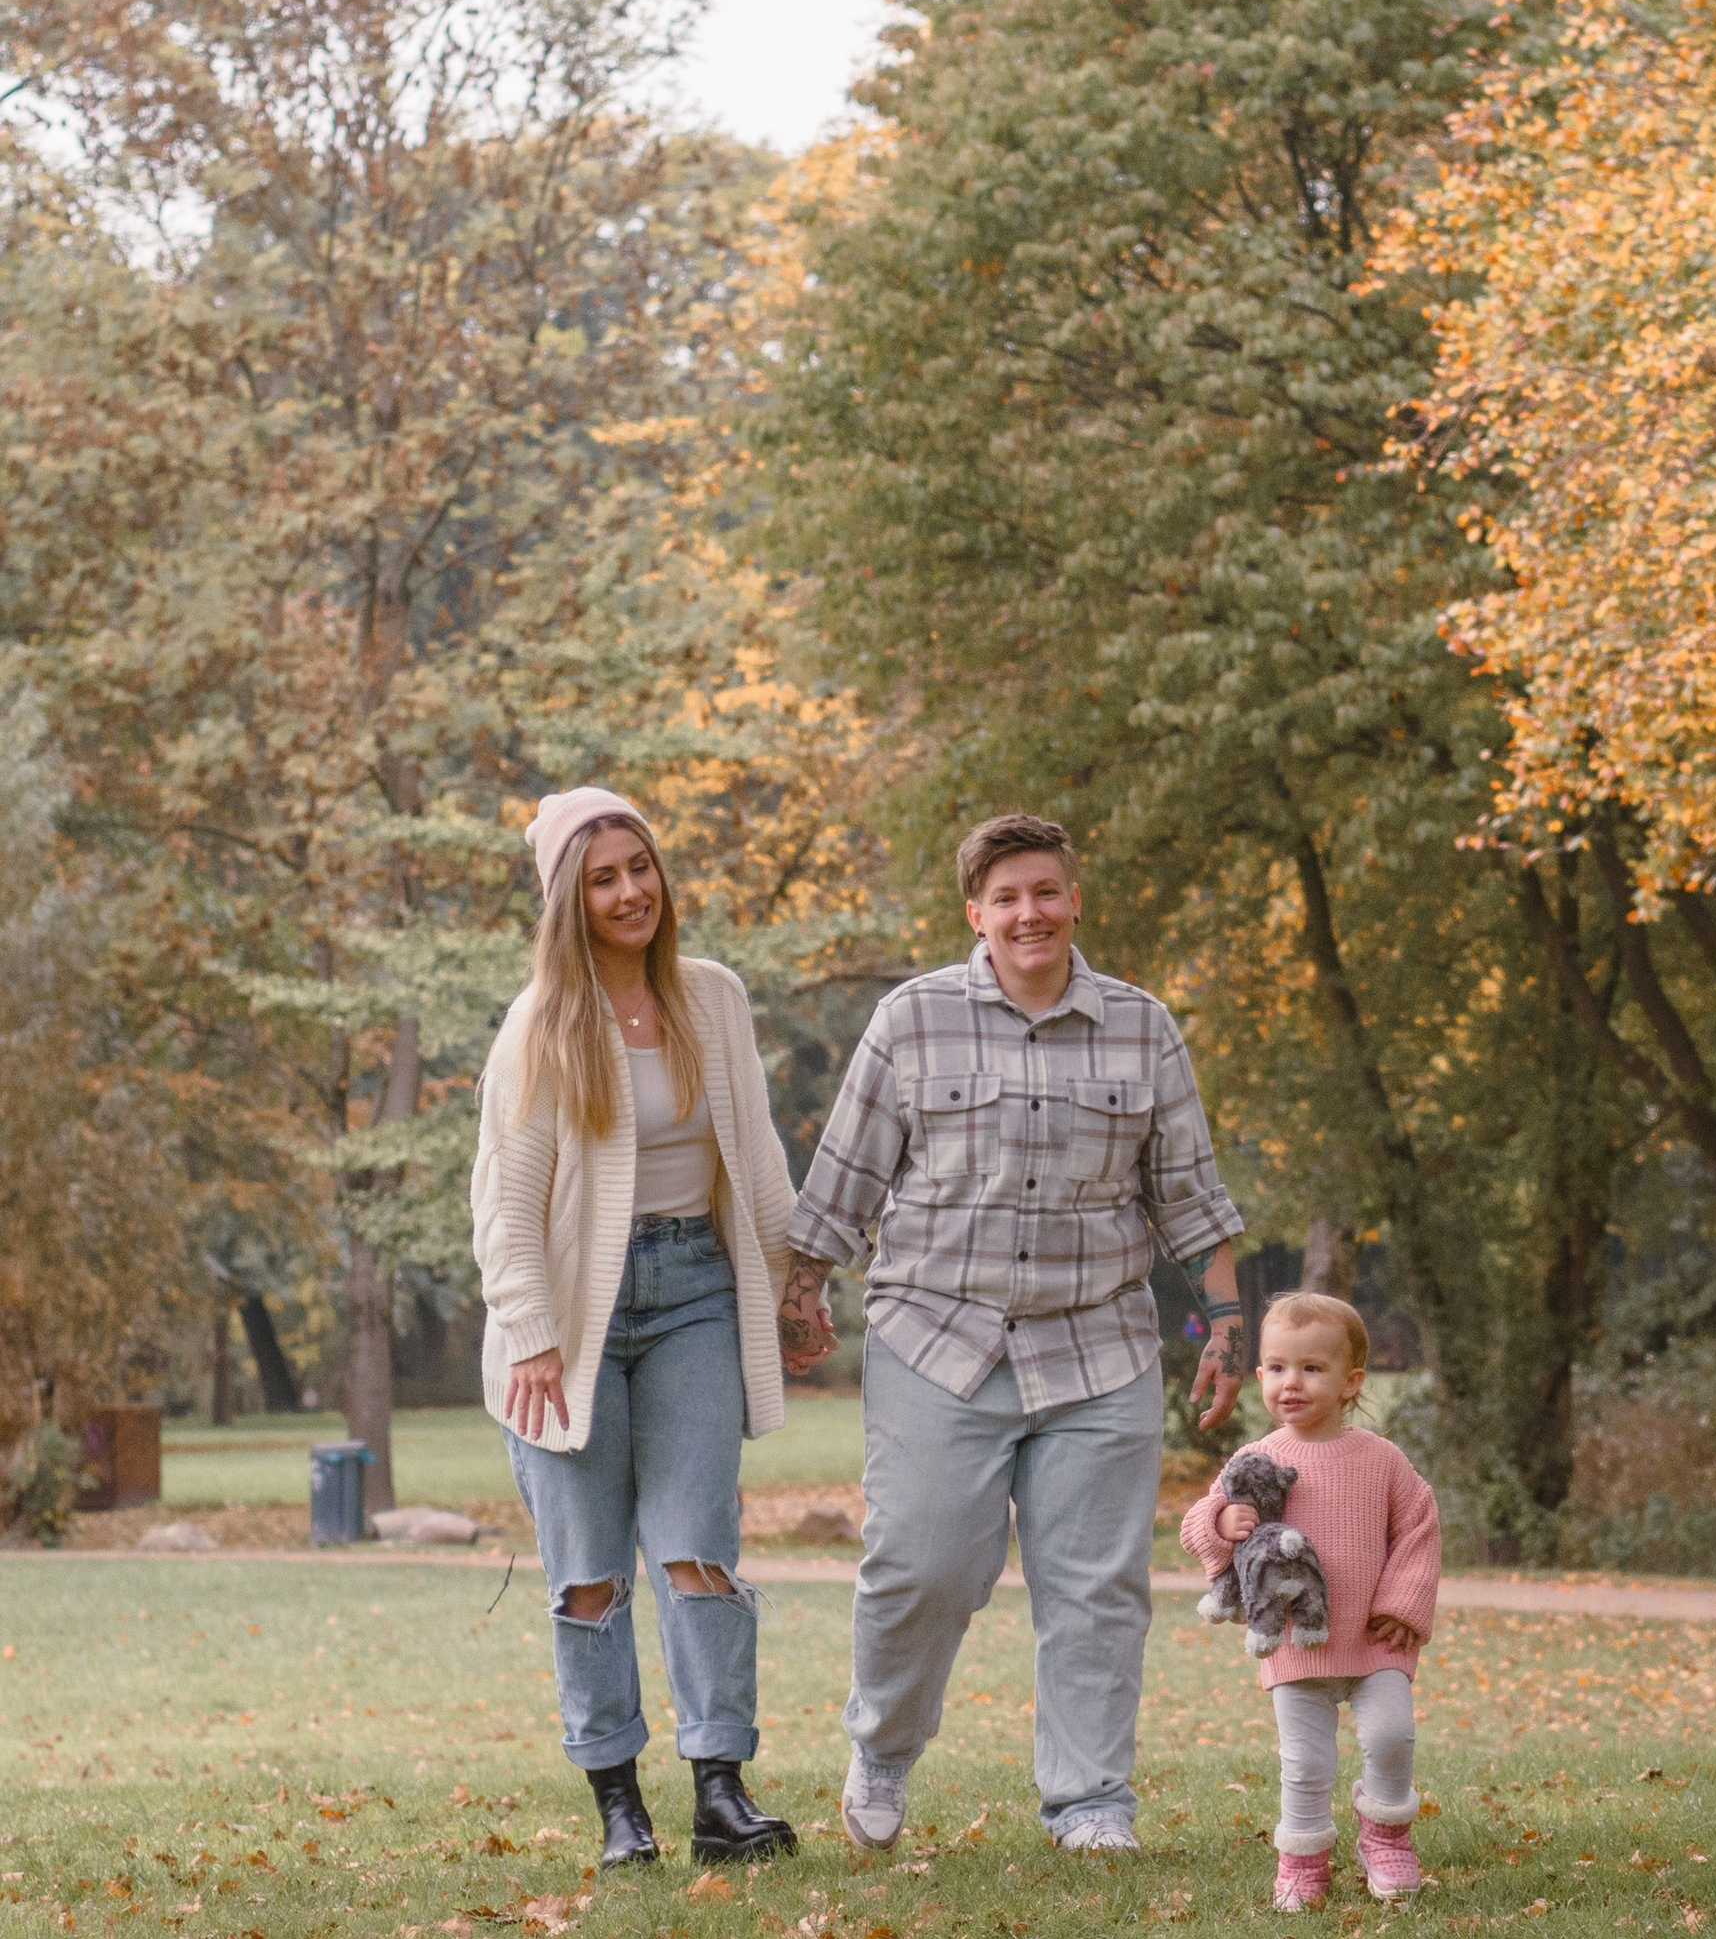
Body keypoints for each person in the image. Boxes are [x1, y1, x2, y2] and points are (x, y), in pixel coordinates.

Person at [775, 811, 1247, 1855]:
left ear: (1074, 900)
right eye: (1005, 898)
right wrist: (799, 1293)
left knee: (1096, 1586)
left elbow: (1191, 1198)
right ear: (975, 916)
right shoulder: (912, 1020)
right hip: (936, 1337)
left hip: (1098, 1348)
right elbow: (842, 1181)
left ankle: (1089, 1799)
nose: (1027, 912)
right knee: (924, 1566)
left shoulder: (1141, 1026)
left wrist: (1225, 1325)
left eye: (1045, 891)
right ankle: (883, 1752)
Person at [472, 785, 801, 1870]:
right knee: (588, 1571)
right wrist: (527, 1329)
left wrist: (796, 1289)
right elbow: (506, 1204)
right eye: (602, 876)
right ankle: (618, 1802)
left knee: (698, 1548)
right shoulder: (541, 1025)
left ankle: (720, 1787)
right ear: (569, 896)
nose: (628, 892)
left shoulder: (713, 998)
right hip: (568, 1318)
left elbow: (755, 1160)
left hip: (695, 1291)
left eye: (640, 868)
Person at [1180, 1293, 1440, 1910]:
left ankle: (1385, 1837)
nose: (1289, 1383)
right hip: (1296, 1636)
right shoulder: (1255, 1461)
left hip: (1375, 1635)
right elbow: (1196, 1523)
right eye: (1275, 1368)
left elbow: (1420, 1525)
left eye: (1311, 1369)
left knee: (1392, 1736)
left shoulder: (1381, 1460)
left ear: (1351, 1381)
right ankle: (1302, 1862)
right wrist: (1223, 1521)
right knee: (1304, 1761)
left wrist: (1404, 1603)